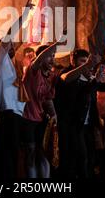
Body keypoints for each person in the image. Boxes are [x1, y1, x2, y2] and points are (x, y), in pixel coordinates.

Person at [55, 49, 105, 178]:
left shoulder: (88, 76)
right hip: (70, 124)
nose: (85, 64)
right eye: (82, 61)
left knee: (88, 157)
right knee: (71, 159)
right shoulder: (66, 73)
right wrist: (88, 68)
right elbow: (66, 79)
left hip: (86, 124)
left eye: (86, 61)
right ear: (72, 60)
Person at [0, 4, 31, 179]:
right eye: (9, 46)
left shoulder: (13, 67)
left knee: (15, 156)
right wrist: (24, 15)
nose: (12, 47)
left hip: (17, 115)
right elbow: (9, 35)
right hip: (6, 114)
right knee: (6, 156)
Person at [21, 40, 64, 178]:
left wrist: (54, 115)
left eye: (54, 56)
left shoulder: (50, 77)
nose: (53, 59)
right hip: (28, 119)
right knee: (31, 154)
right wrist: (55, 44)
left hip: (41, 120)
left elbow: (47, 99)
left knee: (44, 153)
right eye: (50, 55)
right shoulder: (32, 71)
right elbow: (38, 60)